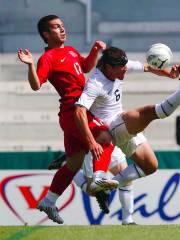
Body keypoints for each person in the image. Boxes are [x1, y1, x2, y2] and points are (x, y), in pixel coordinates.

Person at [18, 15, 118, 224]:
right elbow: (36, 85)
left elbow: (85, 67)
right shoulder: (48, 57)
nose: (62, 29)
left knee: (73, 163)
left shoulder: (70, 50)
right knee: (106, 138)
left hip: (78, 110)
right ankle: (99, 177)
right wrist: (30, 65)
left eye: (62, 26)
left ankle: (48, 200)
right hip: (74, 111)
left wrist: (94, 51)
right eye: (56, 27)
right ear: (46, 34)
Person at [74, 46, 180, 218]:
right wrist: (91, 141)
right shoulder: (96, 83)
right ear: (109, 67)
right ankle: (125, 216)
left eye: (125, 66)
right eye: (122, 68)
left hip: (120, 127)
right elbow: (79, 111)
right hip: (110, 127)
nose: (126, 69)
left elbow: (147, 66)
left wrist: (169, 74)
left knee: (150, 166)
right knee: (148, 113)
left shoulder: (119, 65)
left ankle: (102, 186)